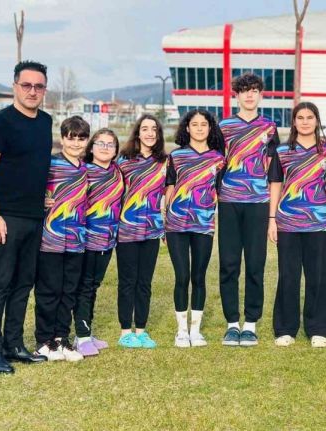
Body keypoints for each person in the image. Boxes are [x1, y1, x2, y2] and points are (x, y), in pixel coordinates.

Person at [0, 60, 51, 373]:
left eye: (39, 86)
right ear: (14, 87)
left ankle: (14, 345)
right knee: (0, 283)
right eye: (26, 85)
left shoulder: (45, 122)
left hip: (34, 218)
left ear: (44, 90)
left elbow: (33, 167)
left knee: (23, 284)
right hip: (4, 217)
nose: (33, 91)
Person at [217, 72, 280, 346]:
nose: (250, 95)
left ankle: (251, 323)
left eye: (254, 90)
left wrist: (272, 214)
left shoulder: (269, 127)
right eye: (244, 91)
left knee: (255, 264)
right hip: (229, 202)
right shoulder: (223, 127)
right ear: (237, 96)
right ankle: (232, 323)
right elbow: (216, 164)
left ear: (261, 95)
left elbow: (275, 170)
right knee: (229, 264)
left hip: (258, 203)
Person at [268, 102, 326, 348]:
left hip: (318, 224)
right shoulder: (282, 151)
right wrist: (272, 219)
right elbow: (275, 184)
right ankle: (285, 328)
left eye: (310, 117)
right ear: (294, 122)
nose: (305, 122)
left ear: (317, 120)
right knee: (288, 275)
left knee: (317, 276)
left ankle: (317, 329)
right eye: (300, 117)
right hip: (288, 223)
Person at [165, 110, 226, 348]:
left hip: (204, 224)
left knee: (198, 276)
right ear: (187, 128)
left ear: (210, 128)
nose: (200, 128)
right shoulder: (176, 156)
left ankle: (195, 331)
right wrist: (165, 219)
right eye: (195, 124)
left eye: (204, 124)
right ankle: (181, 331)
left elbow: (219, 191)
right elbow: (169, 187)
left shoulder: (218, 159)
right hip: (176, 224)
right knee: (182, 276)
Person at [33, 116, 89, 362]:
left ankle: (61, 338)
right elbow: (28, 187)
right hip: (50, 238)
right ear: (62, 138)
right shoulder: (50, 164)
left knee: (69, 291)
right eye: (71, 138)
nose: (76, 143)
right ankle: (44, 341)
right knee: (49, 290)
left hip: (76, 239)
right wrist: (39, 199)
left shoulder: (86, 168)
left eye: (81, 138)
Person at [116, 114, 167, 349]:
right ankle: (126, 331)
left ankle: (141, 331)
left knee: (145, 282)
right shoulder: (124, 161)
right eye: (145, 129)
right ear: (138, 132)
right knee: (128, 281)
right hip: (127, 229)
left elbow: (170, 194)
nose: (149, 133)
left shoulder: (165, 162)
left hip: (152, 230)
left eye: (153, 129)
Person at [73, 128, 124, 356]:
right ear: (91, 147)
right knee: (84, 286)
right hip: (85, 239)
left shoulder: (118, 172)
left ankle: (86, 332)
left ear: (115, 150)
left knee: (94, 285)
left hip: (108, 240)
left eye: (110, 144)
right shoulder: (83, 171)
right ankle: (82, 336)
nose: (105, 148)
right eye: (100, 143)